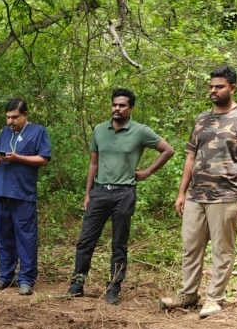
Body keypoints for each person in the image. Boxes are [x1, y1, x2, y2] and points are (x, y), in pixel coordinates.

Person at [159, 65, 237, 318]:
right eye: (211, 86)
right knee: (191, 246)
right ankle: (188, 294)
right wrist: (182, 192)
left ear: (232, 88)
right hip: (197, 195)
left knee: (222, 249)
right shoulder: (202, 119)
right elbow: (190, 156)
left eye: (219, 87)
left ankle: (214, 298)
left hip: (228, 194)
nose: (213, 91)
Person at [67, 89, 175, 304]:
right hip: (100, 191)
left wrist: (146, 172)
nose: (117, 109)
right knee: (86, 240)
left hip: (124, 193)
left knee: (119, 243)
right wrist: (88, 193)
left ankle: (114, 286)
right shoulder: (99, 130)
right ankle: (77, 283)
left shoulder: (140, 131)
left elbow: (168, 150)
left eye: (122, 105)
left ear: (131, 108)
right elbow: (93, 163)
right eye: (115, 105)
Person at [0, 98, 51, 296]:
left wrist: (18, 158)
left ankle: (26, 279)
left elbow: (43, 159)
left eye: (15, 117)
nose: (10, 121)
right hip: (1, 191)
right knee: (3, 236)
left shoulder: (37, 132)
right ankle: (5, 276)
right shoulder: (4, 133)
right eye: (8, 117)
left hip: (23, 194)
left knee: (26, 237)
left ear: (25, 115)